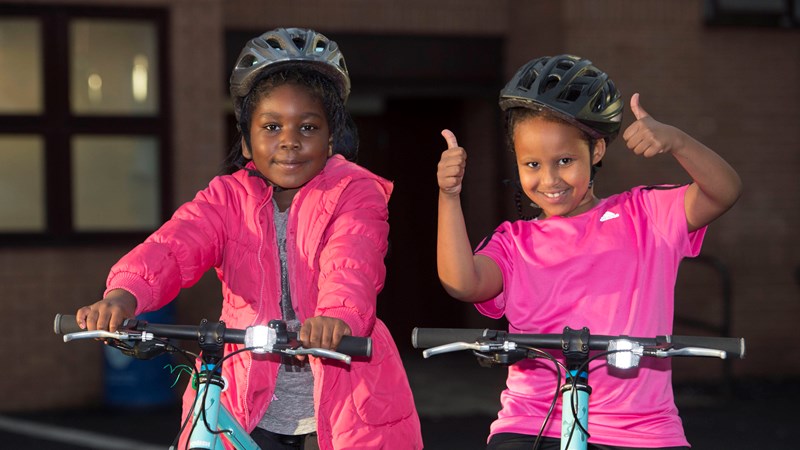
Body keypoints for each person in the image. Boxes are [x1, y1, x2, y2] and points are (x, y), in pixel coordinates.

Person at [75, 27, 422, 450]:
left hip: (342, 401)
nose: (289, 141)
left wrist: (338, 317)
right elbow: (174, 244)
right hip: (243, 398)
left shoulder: (353, 192)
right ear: (246, 140)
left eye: (308, 127)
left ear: (332, 138)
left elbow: (352, 260)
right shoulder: (226, 198)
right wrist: (123, 295)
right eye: (272, 126)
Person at [436, 54, 742, 450]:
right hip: (535, 423)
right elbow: (463, 282)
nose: (549, 179)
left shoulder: (646, 215)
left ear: (595, 151)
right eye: (532, 163)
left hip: (642, 431)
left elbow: (724, 191)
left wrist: (677, 142)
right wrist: (448, 196)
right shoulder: (514, 242)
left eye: (565, 161)